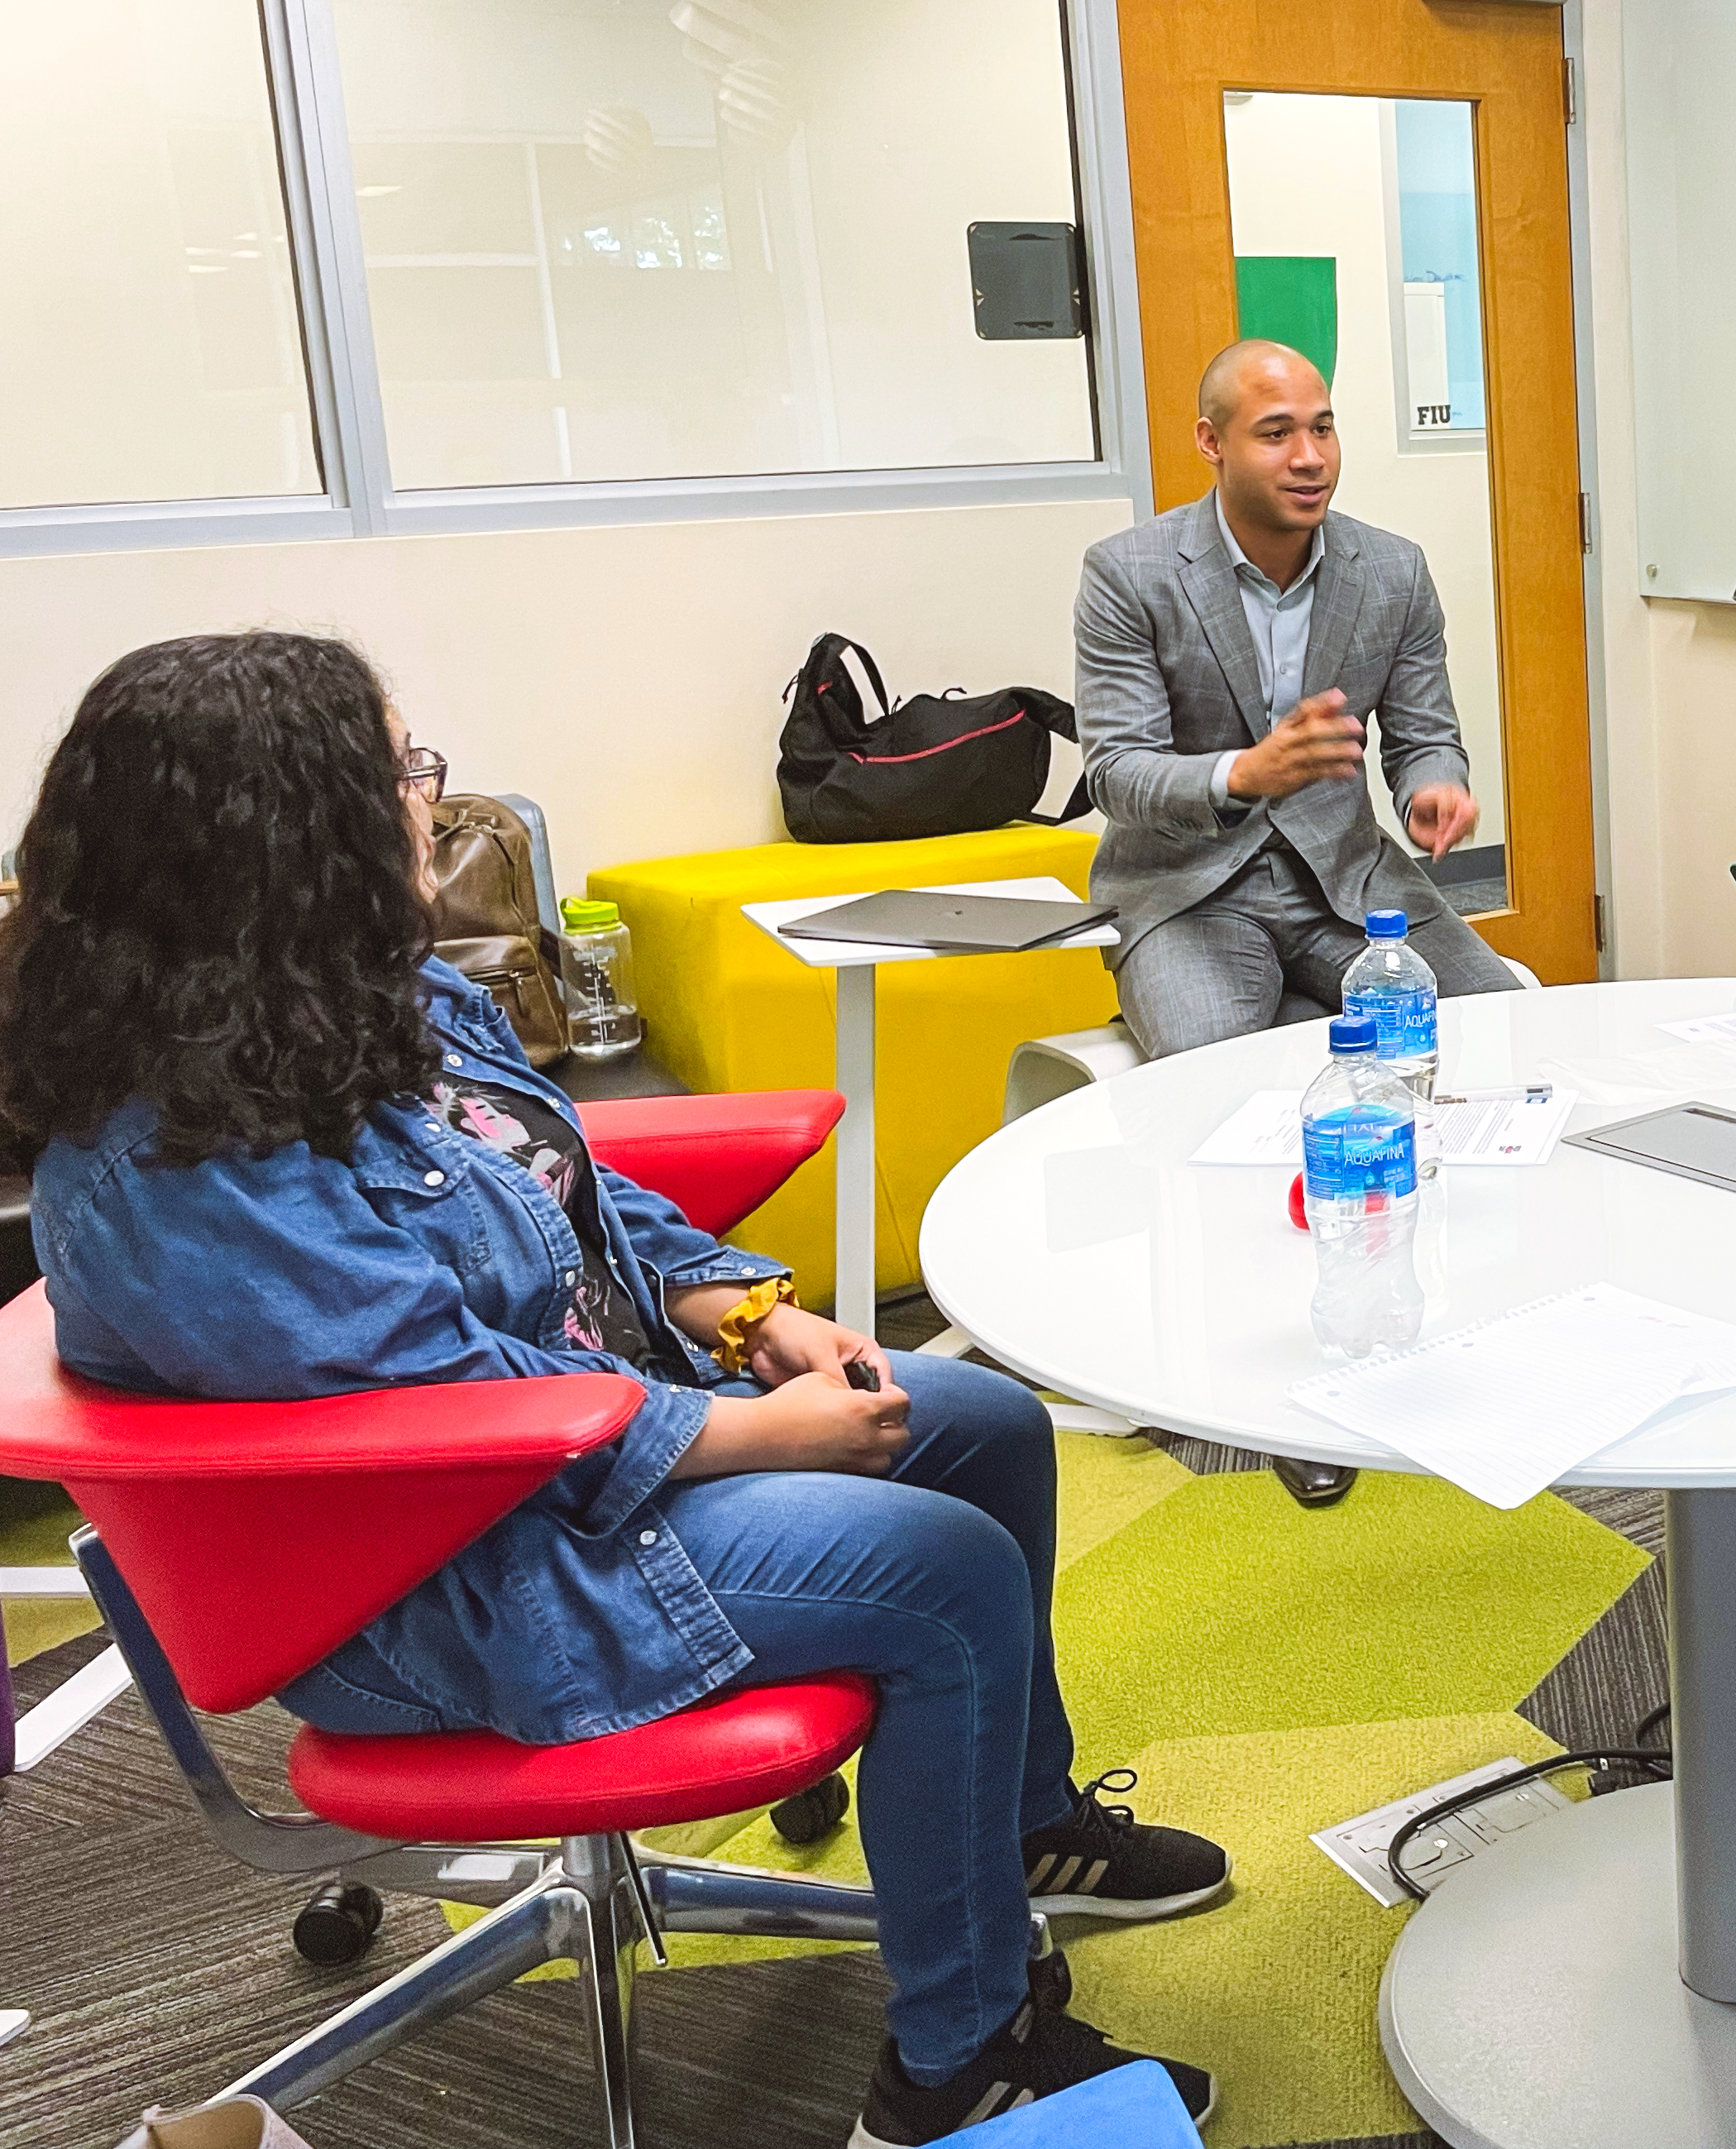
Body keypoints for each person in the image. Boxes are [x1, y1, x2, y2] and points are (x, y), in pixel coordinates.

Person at [0, 633, 1231, 2149]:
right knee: (945, 1577)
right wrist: (752, 1434)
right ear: (286, 830)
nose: (431, 806)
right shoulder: (174, 1167)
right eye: (400, 771)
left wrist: (740, 1307)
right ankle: (956, 2064)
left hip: (557, 1453)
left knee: (983, 1424)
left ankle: (1020, 1827)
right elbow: (437, 1407)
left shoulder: (357, 999)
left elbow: (562, 1188)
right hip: (424, 1577)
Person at [1074, 337, 1519, 1508]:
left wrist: (1435, 783)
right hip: (1191, 889)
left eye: (1322, 427)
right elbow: (1117, 774)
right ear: (1211, 442)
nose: (1310, 456)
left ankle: (1479, 1314)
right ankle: (1292, 1390)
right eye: (1278, 433)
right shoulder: (1130, 572)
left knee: (1503, 1032)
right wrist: (1246, 773)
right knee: (1219, 1092)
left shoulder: (1392, 571)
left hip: (1349, 880)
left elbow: (1425, 726)